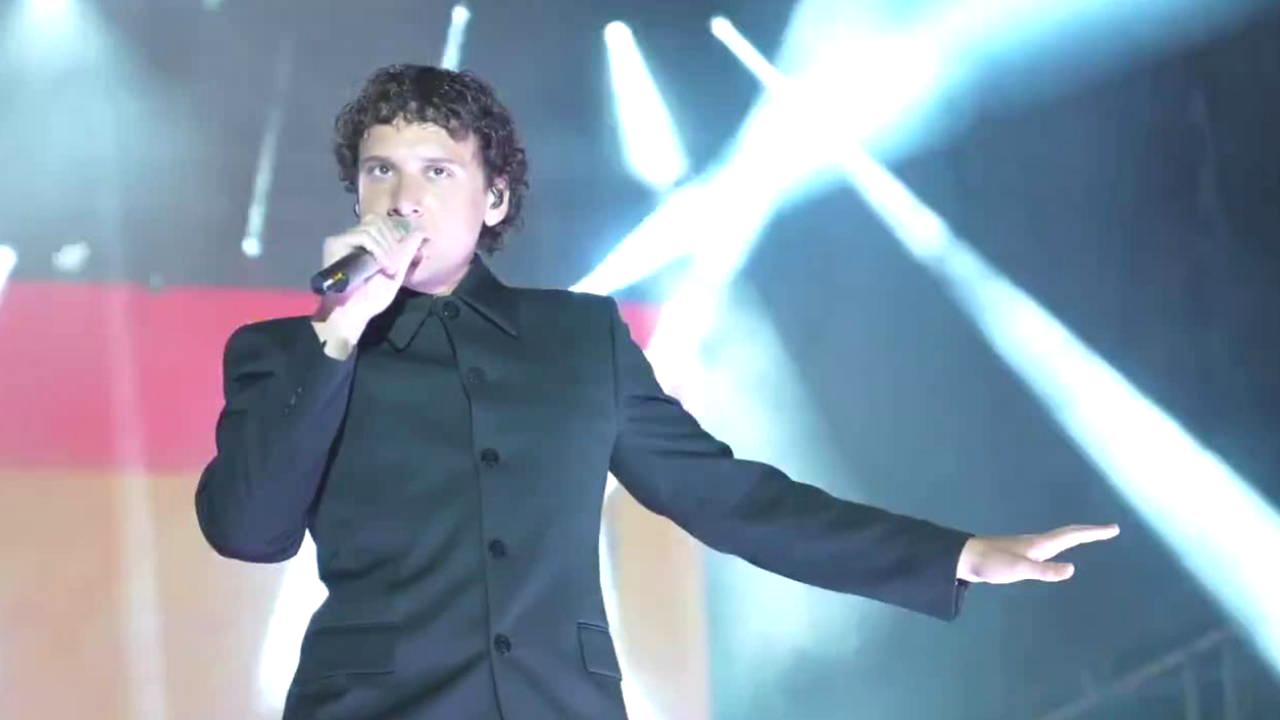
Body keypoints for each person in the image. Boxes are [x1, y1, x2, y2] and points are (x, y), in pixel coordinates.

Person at [195, 64, 1119, 720]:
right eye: (381, 171)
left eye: (438, 171)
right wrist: (338, 335)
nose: (405, 197)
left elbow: (727, 498)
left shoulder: (578, 340)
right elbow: (247, 528)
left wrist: (953, 555)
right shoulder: (287, 353)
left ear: (495, 198)